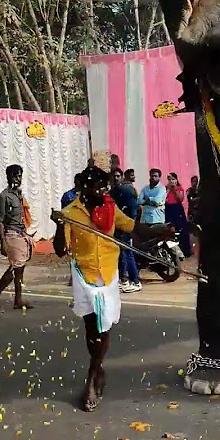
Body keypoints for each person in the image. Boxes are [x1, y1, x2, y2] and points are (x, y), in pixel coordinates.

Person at [52, 165, 172, 412]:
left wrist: (161, 230)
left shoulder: (109, 207)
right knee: (91, 328)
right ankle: (97, 369)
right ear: (85, 188)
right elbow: (60, 249)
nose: (105, 190)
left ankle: (92, 377)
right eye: (100, 187)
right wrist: (58, 225)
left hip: (108, 274)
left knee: (102, 327)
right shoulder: (70, 213)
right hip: (84, 275)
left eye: (106, 186)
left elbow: (133, 227)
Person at [0, 165, 33, 312]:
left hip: (21, 234)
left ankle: (18, 300)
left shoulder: (18, 195)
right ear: (9, 177)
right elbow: (1, 220)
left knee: (19, 269)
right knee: (15, 268)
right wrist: (3, 242)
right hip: (11, 234)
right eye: (15, 176)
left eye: (19, 176)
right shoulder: (4, 196)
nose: (18, 179)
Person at [110, 168, 141, 292]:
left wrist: (130, 225)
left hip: (125, 226)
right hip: (117, 227)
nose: (115, 178)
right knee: (121, 253)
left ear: (122, 176)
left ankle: (135, 280)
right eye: (113, 176)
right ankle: (124, 279)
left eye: (118, 176)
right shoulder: (114, 191)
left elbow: (133, 210)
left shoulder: (127, 190)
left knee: (126, 252)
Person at [165, 173, 192, 257]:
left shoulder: (179, 189)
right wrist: (168, 190)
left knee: (181, 229)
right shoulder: (165, 189)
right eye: (169, 179)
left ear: (176, 180)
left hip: (177, 210)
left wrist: (175, 190)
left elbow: (180, 199)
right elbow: (163, 199)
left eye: (173, 179)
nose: (171, 181)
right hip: (169, 210)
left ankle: (185, 250)